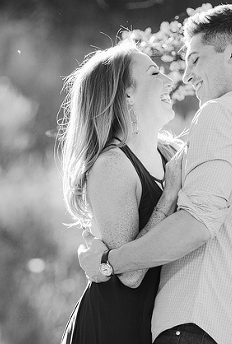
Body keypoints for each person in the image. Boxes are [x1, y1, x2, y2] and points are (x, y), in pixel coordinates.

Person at [78, 4, 232, 344]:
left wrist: (108, 261)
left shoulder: (220, 115)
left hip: (192, 323)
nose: (185, 75)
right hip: (225, 330)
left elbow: (197, 223)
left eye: (195, 59)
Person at [58, 42, 181, 344]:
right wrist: (168, 197)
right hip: (112, 327)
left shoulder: (172, 154)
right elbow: (130, 275)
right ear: (127, 93)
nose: (169, 81)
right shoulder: (112, 164)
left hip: (154, 325)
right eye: (155, 73)